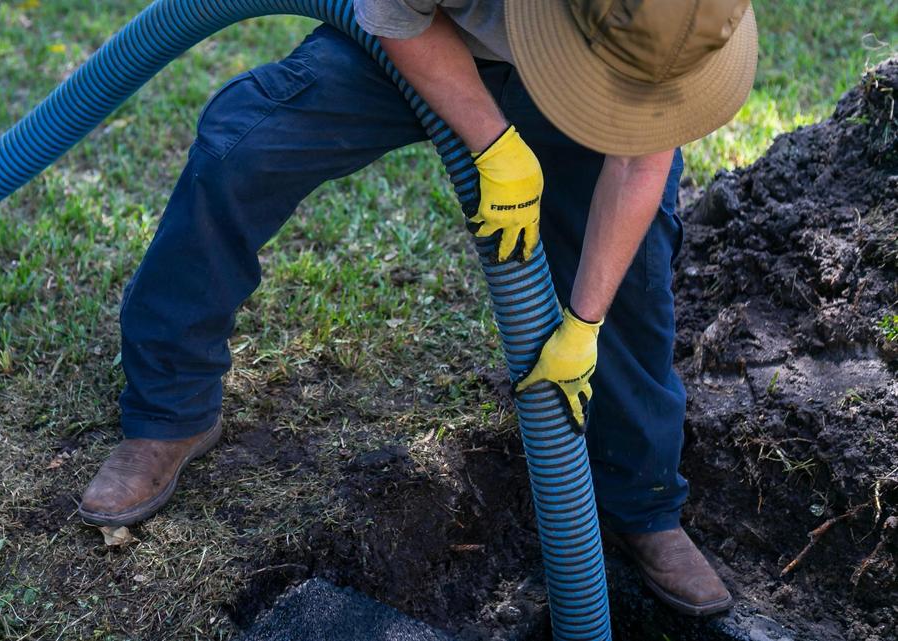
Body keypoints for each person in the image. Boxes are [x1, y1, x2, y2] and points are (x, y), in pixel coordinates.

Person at [78, 0, 757, 618]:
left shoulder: (684, 24)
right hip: (434, 38)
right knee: (238, 151)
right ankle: (169, 410)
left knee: (631, 279)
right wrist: (493, 142)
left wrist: (582, 325)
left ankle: (644, 502)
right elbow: (397, 14)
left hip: (593, 91)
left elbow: (641, 162)